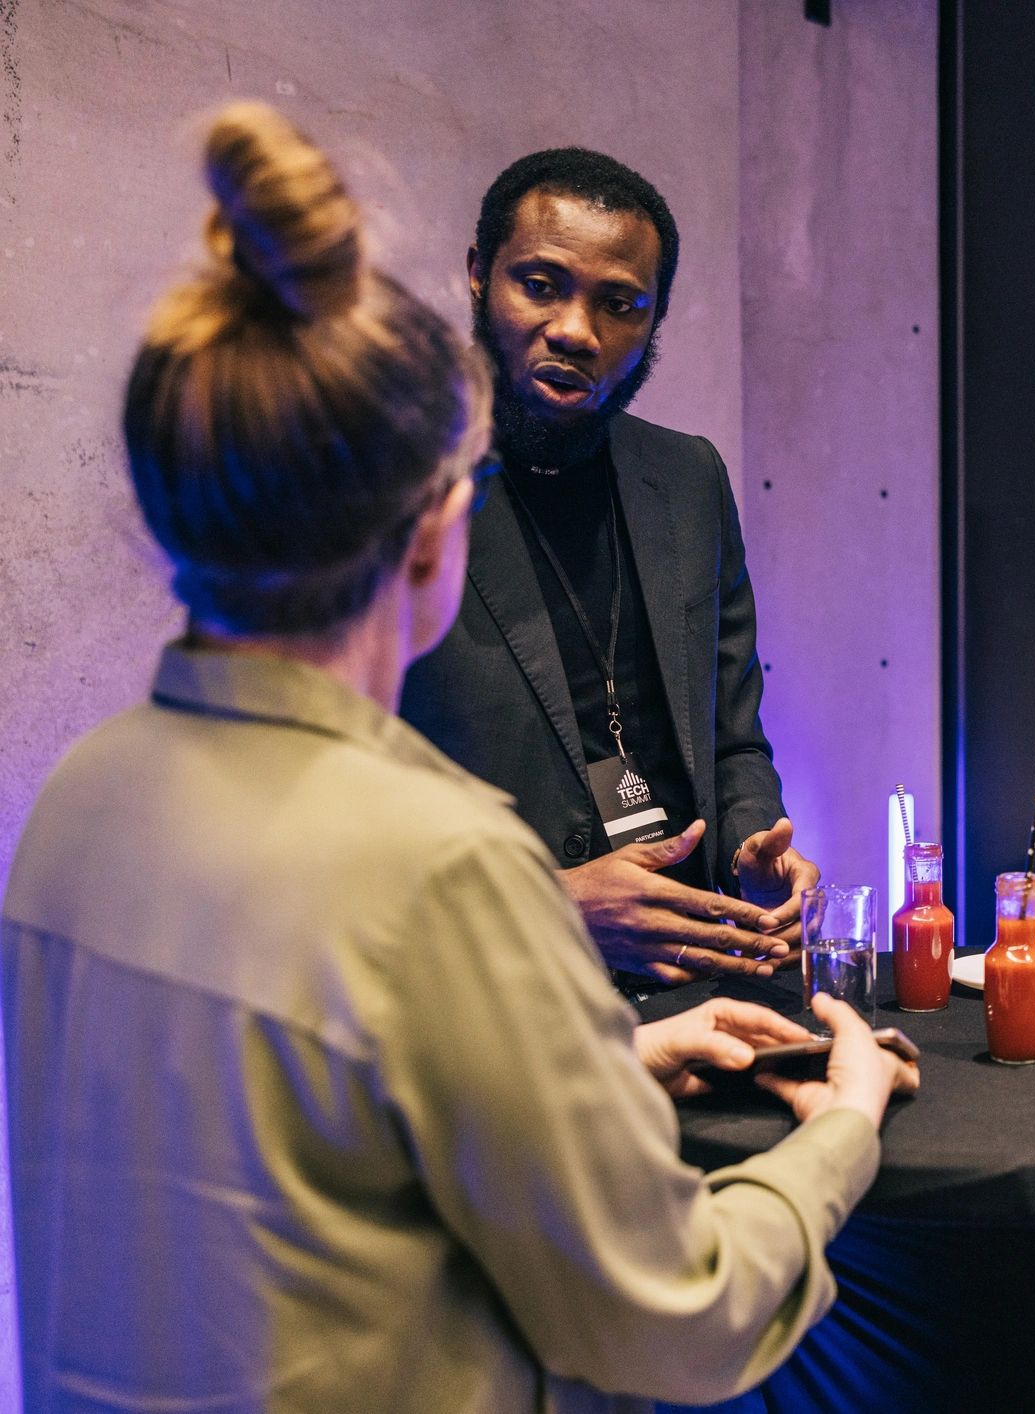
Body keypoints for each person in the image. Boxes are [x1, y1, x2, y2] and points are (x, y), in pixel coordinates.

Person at [3, 104, 915, 1412]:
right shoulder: (446, 863)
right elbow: (682, 1317)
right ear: (434, 532)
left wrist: (604, 1070)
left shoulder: (78, 800)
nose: (574, 328)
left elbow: (296, 1138)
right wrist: (844, 1125)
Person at [399, 147, 810, 990]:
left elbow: (733, 738)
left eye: (619, 304)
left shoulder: (689, 479)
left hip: (699, 960)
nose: (577, 331)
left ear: (652, 322)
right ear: (479, 276)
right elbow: (332, 813)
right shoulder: (392, 488)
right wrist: (545, 901)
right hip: (496, 991)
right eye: (541, 285)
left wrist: (756, 848)